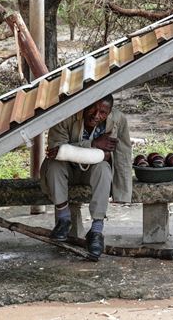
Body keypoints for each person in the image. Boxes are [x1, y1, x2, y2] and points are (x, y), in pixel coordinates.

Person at [40, 95, 133, 260]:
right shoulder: (66, 115)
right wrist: (93, 145)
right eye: (93, 109)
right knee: (54, 164)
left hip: (92, 172)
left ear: (110, 112)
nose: (97, 115)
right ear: (85, 104)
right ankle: (63, 220)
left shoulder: (118, 120)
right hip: (66, 170)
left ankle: (96, 231)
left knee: (104, 168)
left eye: (103, 112)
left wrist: (122, 192)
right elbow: (56, 151)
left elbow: (123, 155)